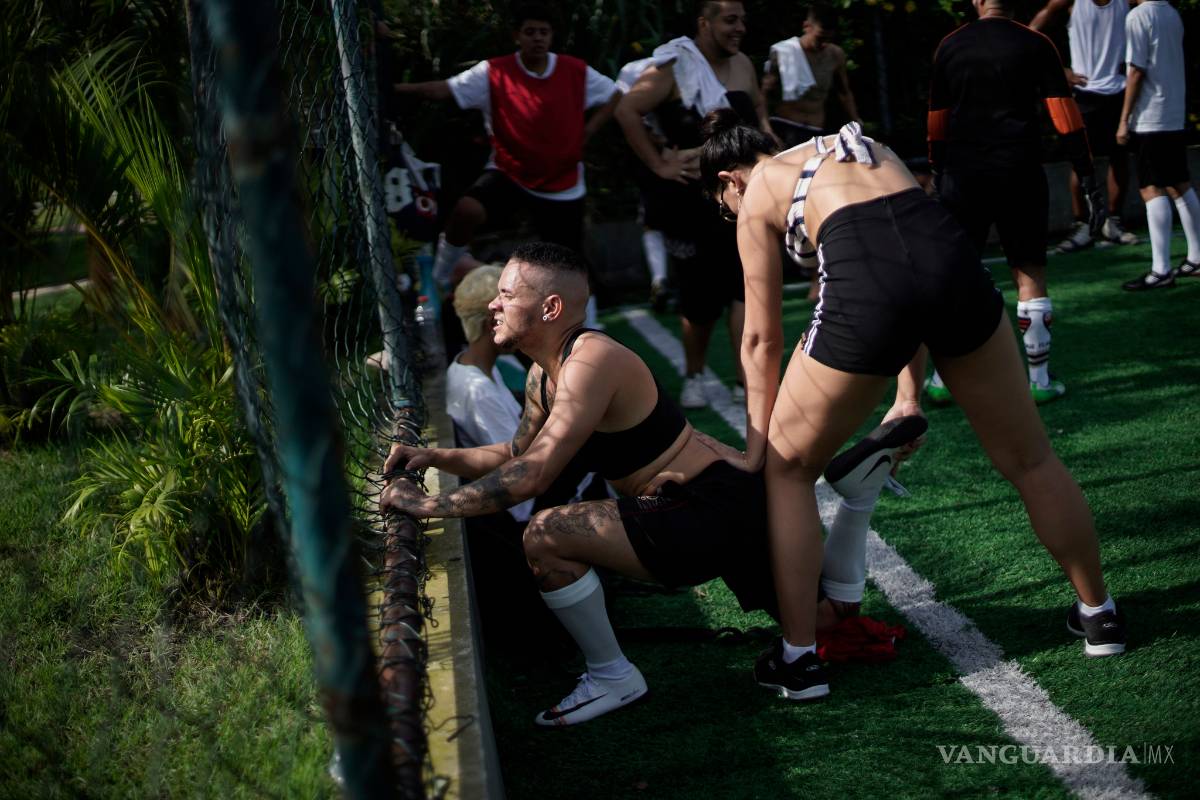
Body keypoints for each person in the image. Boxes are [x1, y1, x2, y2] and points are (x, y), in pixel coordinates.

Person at [380, 242, 928, 723]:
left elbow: (532, 476)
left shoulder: (588, 362)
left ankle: (612, 675)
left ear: (549, 308)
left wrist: (427, 505)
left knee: (546, 534)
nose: (492, 305)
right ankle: (858, 499)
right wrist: (433, 453)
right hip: (722, 500)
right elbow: (517, 452)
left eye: (505, 294)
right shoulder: (541, 375)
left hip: (700, 507)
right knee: (825, 621)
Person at [699, 109, 1126, 701]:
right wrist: (906, 394)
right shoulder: (861, 146)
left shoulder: (760, 189)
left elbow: (760, 337)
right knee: (1031, 460)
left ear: (730, 178)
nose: (730, 213)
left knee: (787, 471)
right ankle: (1099, 612)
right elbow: (905, 256)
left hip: (874, 289)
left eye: (724, 202)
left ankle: (798, 658)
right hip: (954, 266)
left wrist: (755, 446)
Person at [924, 0, 1105, 406]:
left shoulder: (949, 46)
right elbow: (1065, 116)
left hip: (962, 173)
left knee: (957, 274)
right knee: (1029, 274)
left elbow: (937, 117)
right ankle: (1039, 381)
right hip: (1019, 170)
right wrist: (1087, 173)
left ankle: (941, 379)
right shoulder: (1036, 43)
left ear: (975, 0)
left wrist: (938, 170)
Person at [393, 4, 619, 295]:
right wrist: (394, 89)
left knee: (569, 264)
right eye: (530, 32)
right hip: (509, 171)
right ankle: (439, 279)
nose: (537, 38)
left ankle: (586, 324)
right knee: (466, 210)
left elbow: (615, 94)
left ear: (551, 37)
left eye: (543, 32)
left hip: (562, 182)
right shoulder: (494, 72)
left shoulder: (574, 70)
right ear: (517, 36)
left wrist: (588, 131)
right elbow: (444, 89)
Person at [615, 1, 774, 409]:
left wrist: (771, 153)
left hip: (742, 196)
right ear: (704, 23)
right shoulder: (673, 66)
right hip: (690, 200)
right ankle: (695, 375)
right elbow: (627, 111)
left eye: (742, 19)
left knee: (746, 289)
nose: (740, 28)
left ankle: (746, 381)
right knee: (699, 301)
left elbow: (757, 114)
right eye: (730, 20)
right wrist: (659, 163)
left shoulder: (744, 66)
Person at [1032, 0, 1140, 251]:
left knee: (1119, 157)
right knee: (1082, 160)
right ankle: (1082, 225)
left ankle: (1113, 222)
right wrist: (1060, 70)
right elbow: (1031, 33)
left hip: (1118, 91)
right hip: (1084, 93)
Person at [1116, 0, 1200, 290]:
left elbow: (1136, 70)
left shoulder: (1139, 15)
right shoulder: (1171, 13)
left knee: (1151, 187)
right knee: (1180, 183)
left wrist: (1124, 118)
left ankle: (1161, 270)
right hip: (1173, 112)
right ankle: (1196, 258)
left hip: (1151, 116)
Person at [762, 3, 861, 148]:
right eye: (820, 38)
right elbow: (763, 94)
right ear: (807, 26)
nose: (824, 44)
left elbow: (844, 93)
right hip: (784, 126)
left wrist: (857, 123)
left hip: (815, 131)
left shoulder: (835, 55)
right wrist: (766, 128)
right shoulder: (784, 53)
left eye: (828, 39)